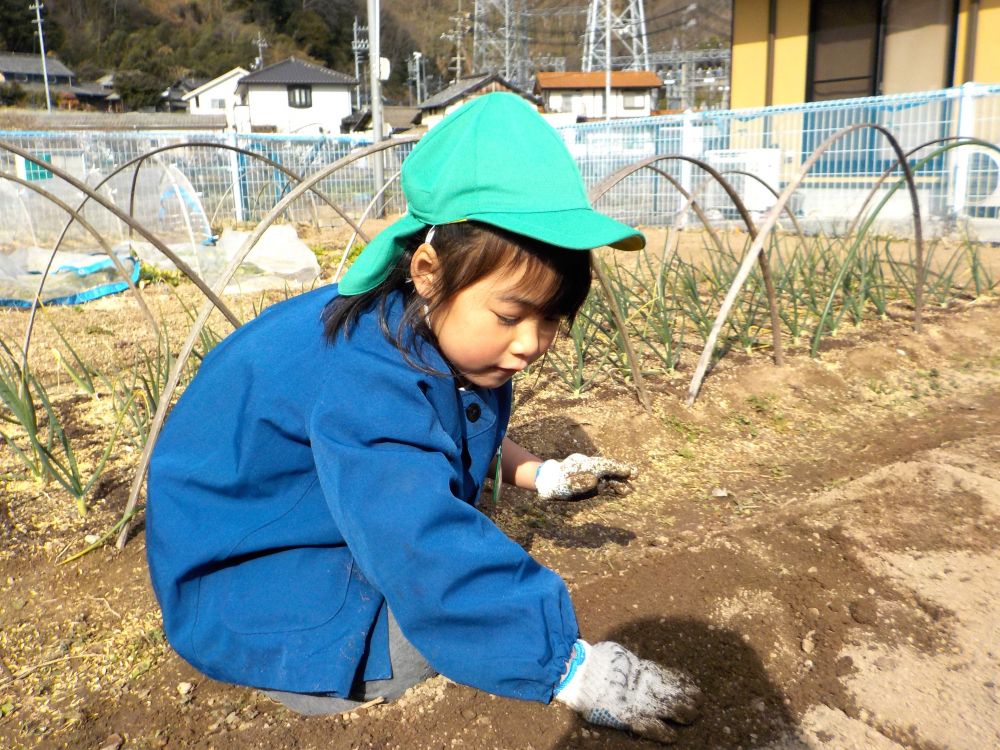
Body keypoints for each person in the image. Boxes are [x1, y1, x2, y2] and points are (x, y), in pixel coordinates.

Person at [146, 93, 701, 744]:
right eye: (512, 316)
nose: (532, 342)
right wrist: (570, 667)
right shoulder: (362, 378)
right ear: (430, 273)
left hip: (298, 515)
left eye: (553, 318)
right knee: (420, 644)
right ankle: (303, 666)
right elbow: (420, 543)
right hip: (240, 571)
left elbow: (445, 433)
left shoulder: (425, 326)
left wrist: (541, 474)